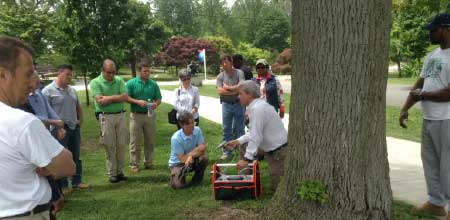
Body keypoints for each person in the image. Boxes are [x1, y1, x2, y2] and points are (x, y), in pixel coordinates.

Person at [0, 36, 75, 219]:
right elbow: (67, 166)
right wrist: (46, 165)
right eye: (27, 74)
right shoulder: (21, 122)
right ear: (3, 75)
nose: (33, 83)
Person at [399, 13, 450, 218]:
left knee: (447, 166)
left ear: (446, 29)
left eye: (433, 29)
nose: (430, 33)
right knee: (430, 162)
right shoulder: (432, 56)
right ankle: (436, 202)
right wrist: (405, 107)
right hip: (429, 118)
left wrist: (424, 95)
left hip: (447, 119)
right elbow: (420, 84)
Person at [225, 81, 287, 191]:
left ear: (249, 94)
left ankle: (248, 176)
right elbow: (255, 131)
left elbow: (256, 136)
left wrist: (246, 159)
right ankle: (246, 180)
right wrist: (238, 141)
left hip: (278, 152)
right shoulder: (258, 106)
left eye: (241, 94)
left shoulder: (257, 109)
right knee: (243, 145)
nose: (239, 97)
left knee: (278, 189)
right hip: (270, 148)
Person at [43, 64, 89, 190]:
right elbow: (44, 113)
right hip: (58, 130)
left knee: (76, 156)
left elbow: (78, 106)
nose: (70, 77)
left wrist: (80, 121)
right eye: (67, 74)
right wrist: (56, 126)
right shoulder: (47, 91)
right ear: (59, 73)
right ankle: (63, 185)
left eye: (71, 75)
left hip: (74, 127)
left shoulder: (72, 90)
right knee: (60, 157)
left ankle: (77, 181)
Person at [89, 59, 129, 183]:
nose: (111, 75)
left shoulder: (119, 80)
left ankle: (120, 172)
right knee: (109, 145)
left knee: (121, 145)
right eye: (108, 72)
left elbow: (125, 97)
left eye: (113, 72)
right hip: (105, 117)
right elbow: (100, 101)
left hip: (120, 115)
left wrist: (109, 98)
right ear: (102, 70)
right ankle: (112, 173)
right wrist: (117, 98)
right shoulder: (95, 82)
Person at [125, 62, 162, 173]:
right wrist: (137, 101)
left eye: (148, 71)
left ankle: (148, 162)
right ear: (139, 71)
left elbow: (159, 98)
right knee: (135, 140)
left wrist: (156, 104)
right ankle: (134, 164)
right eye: (145, 71)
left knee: (150, 140)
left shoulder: (153, 84)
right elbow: (126, 97)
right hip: (136, 115)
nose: (147, 73)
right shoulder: (131, 83)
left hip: (150, 115)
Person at [168, 112, 208, 189]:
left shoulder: (198, 130)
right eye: (190, 123)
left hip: (191, 160)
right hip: (178, 164)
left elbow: (203, 149)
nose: (193, 125)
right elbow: (182, 159)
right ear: (182, 125)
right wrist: (194, 152)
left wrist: (190, 156)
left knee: (203, 159)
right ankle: (176, 176)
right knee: (178, 186)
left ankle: (197, 180)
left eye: (193, 122)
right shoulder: (176, 138)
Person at [216, 55, 245, 161]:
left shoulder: (239, 73)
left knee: (240, 129)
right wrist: (235, 90)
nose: (224, 65)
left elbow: (242, 86)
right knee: (226, 129)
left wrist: (228, 88)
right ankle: (227, 152)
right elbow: (220, 91)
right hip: (226, 105)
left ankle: (242, 152)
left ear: (231, 62)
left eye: (226, 62)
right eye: (222, 63)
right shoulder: (220, 76)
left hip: (238, 104)